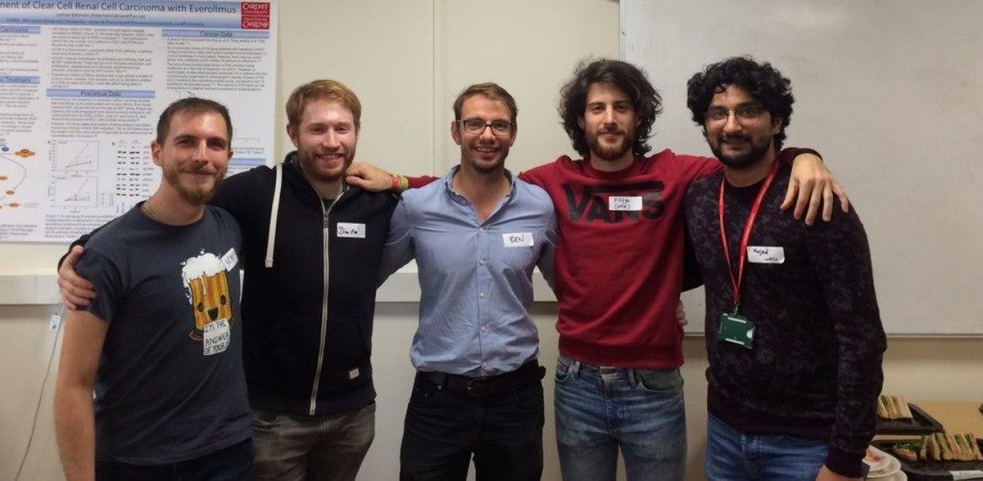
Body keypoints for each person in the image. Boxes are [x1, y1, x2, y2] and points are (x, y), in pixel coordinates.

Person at [347, 58, 847, 481]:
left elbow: (745, 155)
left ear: (639, 116)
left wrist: (803, 156)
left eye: (621, 107)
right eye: (597, 108)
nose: (609, 119)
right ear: (581, 120)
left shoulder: (678, 174)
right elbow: (480, 182)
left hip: (654, 385)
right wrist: (398, 179)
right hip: (577, 382)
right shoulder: (551, 183)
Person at [57, 80, 431, 481]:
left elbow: (460, 188)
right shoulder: (256, 192)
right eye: (317, 129)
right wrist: (78, 253)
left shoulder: (374, 200)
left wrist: (398, 181)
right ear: (293, 133)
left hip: (351, 411)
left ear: (357, 131)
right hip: (268, 415)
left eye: (342, 129)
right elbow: (162, 214)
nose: (331, 142)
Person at [683, 56, 884, 481]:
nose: (732, 126)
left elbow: (861, 339)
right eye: (719, 113)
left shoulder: (817, 202)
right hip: (725, 429)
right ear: (705, 125)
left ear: (776, 121)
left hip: (807, 442)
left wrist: (844, 458)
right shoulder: (700, 198)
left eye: (748, 111)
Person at [53, 97, 253, 481]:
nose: (202, 155)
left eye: (215, 144)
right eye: (186, 141)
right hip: (138, 461)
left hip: (227, 452)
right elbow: (73, 386)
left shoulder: (228, 226)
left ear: (229, 155)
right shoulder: (107, 254)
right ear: (157, 152)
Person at [379, 83, 557, 481]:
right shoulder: (417, 207)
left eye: (500, 125)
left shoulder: (539, 207)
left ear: (513, 133)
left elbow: (573, 287)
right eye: (475, 123)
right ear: (456, 132)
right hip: (438, 402)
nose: (487, 135)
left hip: (516, 400)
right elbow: (365, 277)